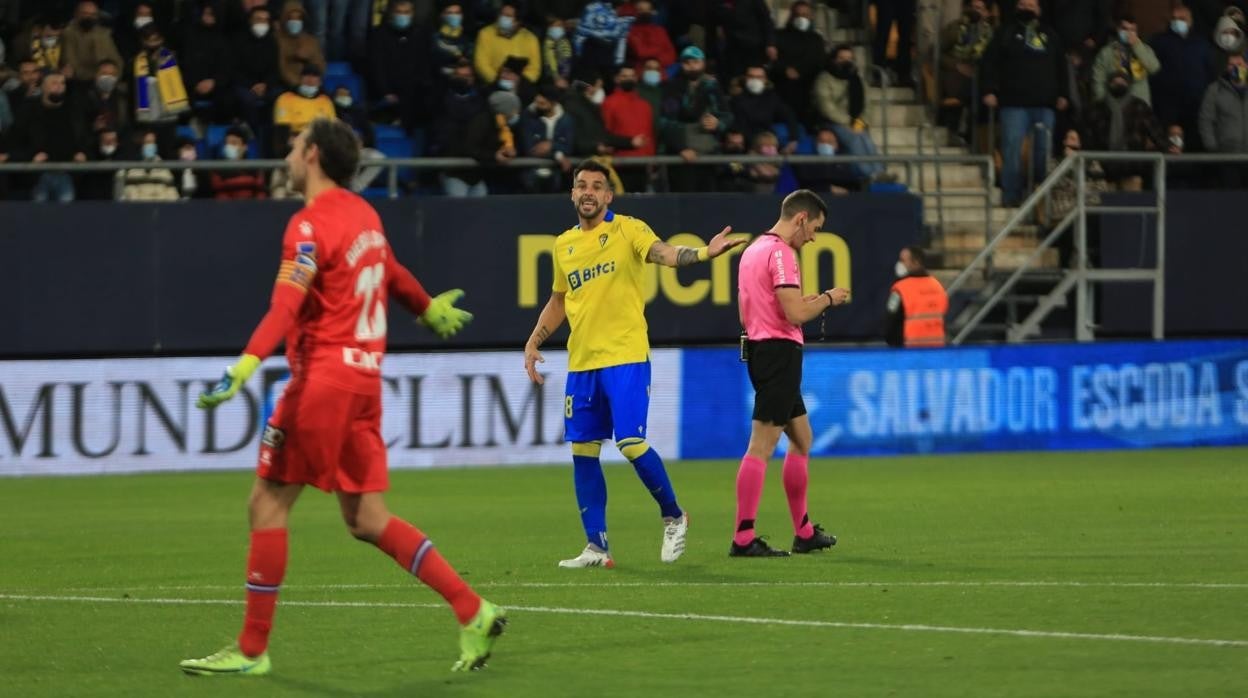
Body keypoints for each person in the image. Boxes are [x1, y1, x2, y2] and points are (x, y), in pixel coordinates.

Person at [179, 117, 506, 677]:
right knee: (367, 518)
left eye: (293, 144)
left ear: (311, 155)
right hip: (364, 383)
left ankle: (252, 650)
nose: (286, 152)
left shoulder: (307, 226)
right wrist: (427, 308)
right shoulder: (365, 215)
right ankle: (472, 608)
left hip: (323, 382)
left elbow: (285, 306)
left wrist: (246, 363)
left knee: (267, 504)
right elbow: (392, 272)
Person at [523, 159, 745, 568]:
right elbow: (559, 299)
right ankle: (596, 546)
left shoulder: (628, 228)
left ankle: (674, 515)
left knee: (629, 441)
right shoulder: (563, 245)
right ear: (573, 194)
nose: (588, 192)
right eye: (581, 185)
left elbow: (664, 254)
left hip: (625, 355)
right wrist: (535, 341)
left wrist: (702, 253)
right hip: (583, 362)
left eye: (597, 186)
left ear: (608, 195)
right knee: (583, 452)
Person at [732, 189, 847, 558]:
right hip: (779, 354)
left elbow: (752, 311)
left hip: (762, 350)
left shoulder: (752, 251)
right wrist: (828, 299)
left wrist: (808, 301)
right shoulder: (782, 253)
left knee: (802, 438)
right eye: (814, 227)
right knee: (761, 446)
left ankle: (804, 532)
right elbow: (795, 315)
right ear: (800, 219)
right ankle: (743, 537)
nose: (813, 236)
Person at [980, 0, 1068, 206]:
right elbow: (989, 62)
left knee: (1043, 154)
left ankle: (1038, 197)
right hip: (1013, 103)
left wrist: (1064, 94)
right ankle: (1011, 197)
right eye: (1023, 4)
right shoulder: (1005, 33)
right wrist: (988, 90)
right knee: (1011, 150)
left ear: (1039, 9)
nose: (1027, 8)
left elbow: (1061, 66)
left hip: (1045, 104)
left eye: (1032, 4)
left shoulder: (1051, 35)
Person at [1198, 53, 1248, 188]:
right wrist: (1213, 147)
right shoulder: (1215, 90)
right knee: (1231, 202)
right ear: (1226, 67)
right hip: (1227, 157)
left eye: (1240, 64)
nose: (1236, 68)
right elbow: (1205, 120)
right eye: (1232, 65)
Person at [1090, 14, 1160, 106]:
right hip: (1114, 102)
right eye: (1125, 29)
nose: (1129, 33)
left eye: (1132, 30)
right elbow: (1098, 79)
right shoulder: (1106, 52)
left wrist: (1137, 46)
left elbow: (1154, 68)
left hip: (1140, 103)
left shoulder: (1144, 49)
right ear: (1118, 29)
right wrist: (1102, 101)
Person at [884, 246, 947, 348]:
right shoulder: (937, 286)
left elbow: (890, 321)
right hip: (937, 348)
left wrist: (893, 344)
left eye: (903, 261)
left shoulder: (900, 289)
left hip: (910, 349)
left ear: (916, 262)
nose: (899, 264)